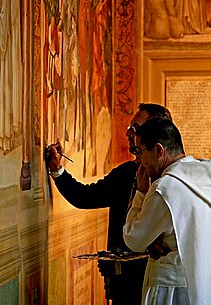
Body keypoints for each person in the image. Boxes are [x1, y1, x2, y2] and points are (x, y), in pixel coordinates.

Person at [46, 103, 172, 305]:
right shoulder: (126, 174)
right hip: (123, 284)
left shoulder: (173, 181)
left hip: (158, 283)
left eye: (135, 129)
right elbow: (85, 197)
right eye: (129, 128)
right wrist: (57, 170)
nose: (129, 134)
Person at [123, 118, 211, 305]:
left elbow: (134, 238)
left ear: (159, 150)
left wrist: (141, 193)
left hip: (172, 291)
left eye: (140, 152)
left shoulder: (166, 188)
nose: (140, 161)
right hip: (209, 283)